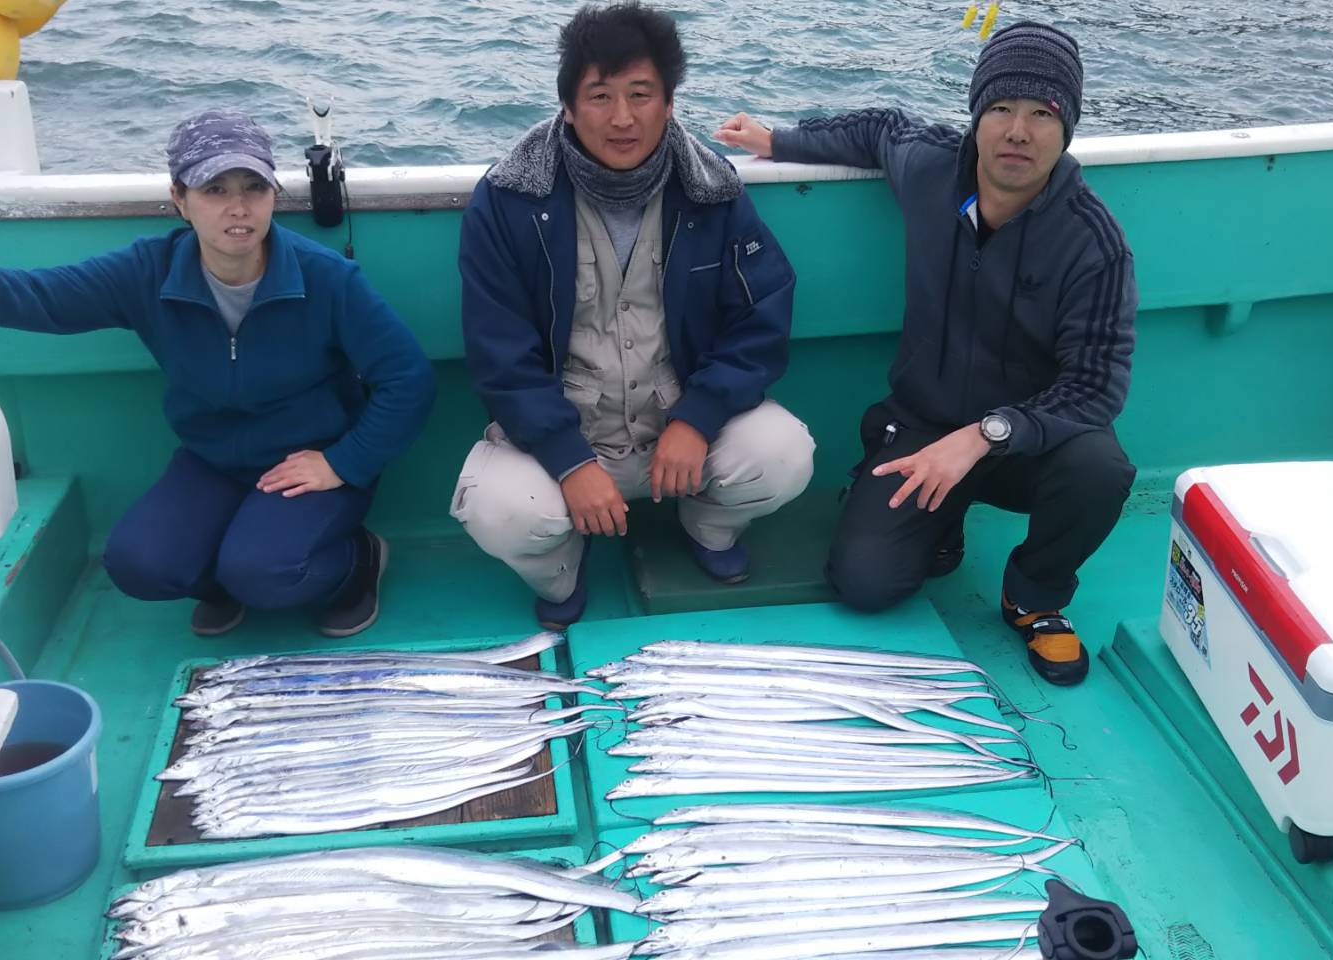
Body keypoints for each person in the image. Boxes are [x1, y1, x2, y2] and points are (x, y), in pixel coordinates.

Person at [0, 109, 436, 638]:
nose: (238, 208)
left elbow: (406, 377)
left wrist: (342, 462)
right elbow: (46, 297)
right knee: (139, 565)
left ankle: (356, 563)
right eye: (215, 190)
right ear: (179, 199)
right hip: (213, 461)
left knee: (264, 573)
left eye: (254, 188)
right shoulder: (148, 271)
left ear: (272, 195)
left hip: (309, 463)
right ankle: (223, 577)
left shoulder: (326, 278)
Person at [716, 22, 1136, 685]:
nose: (1018, 131)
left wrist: (988, 434)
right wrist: (779, 140)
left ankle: (1034, 596)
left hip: (1025, 440)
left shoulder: (1093, 242)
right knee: (865, 582)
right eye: (1001, 108)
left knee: (1100, 468)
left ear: (1066, 129)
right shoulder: (933, 169)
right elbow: (880, 128)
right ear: (976, 115)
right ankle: (944, 522)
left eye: (1041, 114)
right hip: (923, 425)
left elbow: (1096, 386)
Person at [453, 1, 815, 630]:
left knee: (784, 454)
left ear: (669, 103)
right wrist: (568, 458)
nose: (622, 118)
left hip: (680, 428)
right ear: (568, 107)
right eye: (600, 96)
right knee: (501, 511)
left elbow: (761, 317)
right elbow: (499, 354)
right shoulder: (508, 199)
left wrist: (698, 418)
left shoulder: (714, 191)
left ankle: (708, 524)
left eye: (641, 94)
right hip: (564, 434)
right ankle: (560, 564)